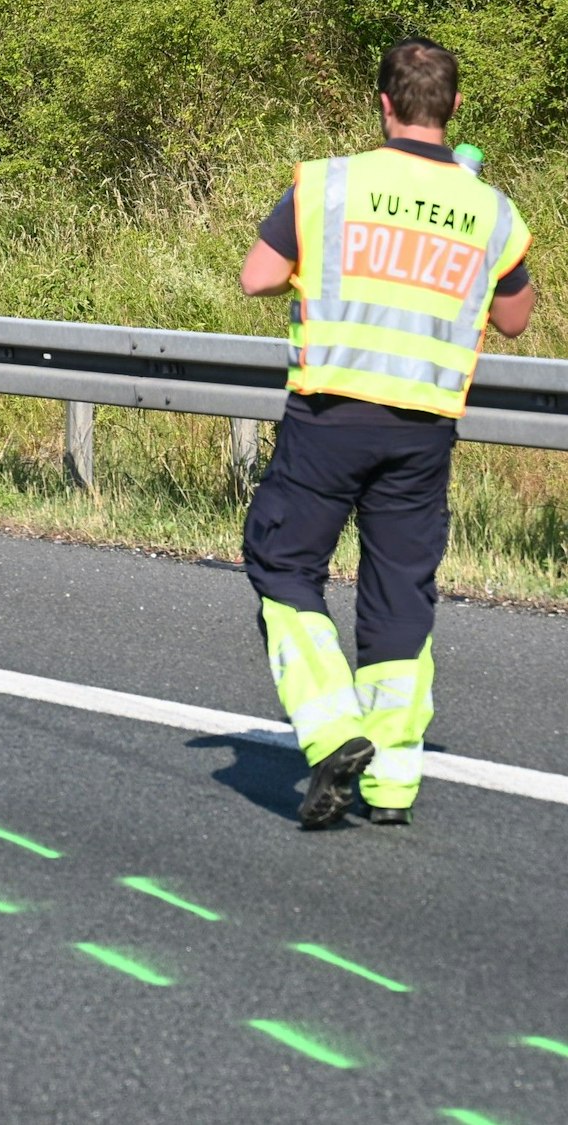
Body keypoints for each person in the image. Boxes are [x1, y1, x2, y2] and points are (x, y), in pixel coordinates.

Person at [237, 37, 534, 830]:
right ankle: (395, 777)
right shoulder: (490, 209)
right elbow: (514, 318)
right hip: (424, 428)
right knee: (400, 588)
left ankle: (333, 727)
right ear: (456, 109)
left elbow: (256, 277)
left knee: (282, 558)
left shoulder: (331, 184)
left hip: (332, 416)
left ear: (384, 103)